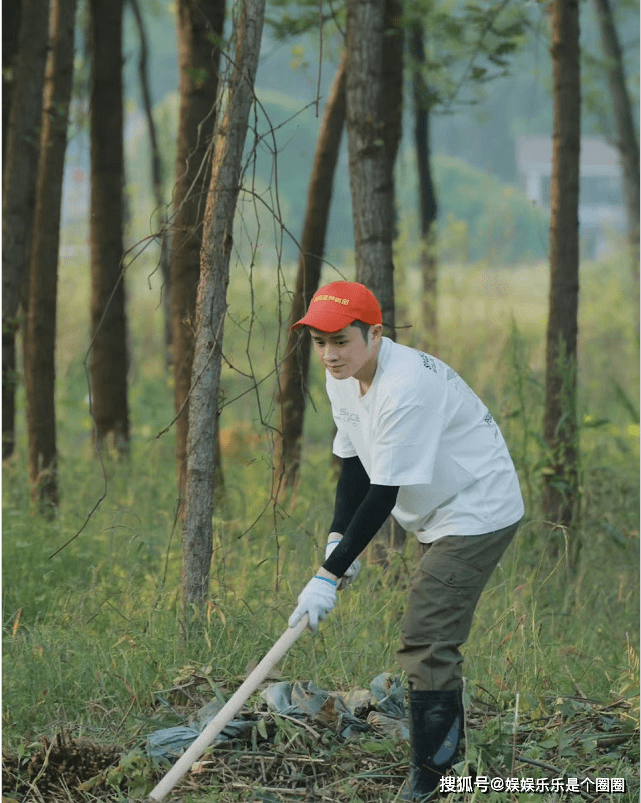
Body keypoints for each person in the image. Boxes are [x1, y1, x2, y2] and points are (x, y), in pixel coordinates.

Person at [287, 280, 524, 800]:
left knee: (426, 635)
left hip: (475, 507)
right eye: (320, 342)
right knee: (428, 633)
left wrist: (327, 576)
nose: (329, 354)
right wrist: (336, 542)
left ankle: (436, 780)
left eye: (341, 341)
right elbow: (353, 461)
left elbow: (383, 494)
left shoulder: (405, 388)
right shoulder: (344, 376)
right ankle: (446, 765)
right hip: (436, 508)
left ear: (374, 334)